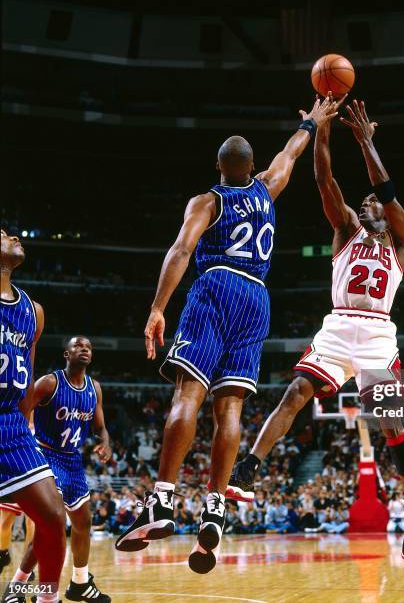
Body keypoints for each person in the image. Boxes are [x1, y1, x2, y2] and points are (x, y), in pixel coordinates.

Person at [115, 96, 340, 575]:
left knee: (188, 393)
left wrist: (158, 308)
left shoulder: (208, 201)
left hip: (217, 285)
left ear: (217, 167)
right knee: (230, 407)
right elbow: (291, 155)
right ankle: (214, 508)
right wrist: (311, 121)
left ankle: (162, 500)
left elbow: (180, 251)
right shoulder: (268, 188)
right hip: (257, 298)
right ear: (252, 167)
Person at [225, 99, 404, 561]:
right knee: (297, 390)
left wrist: (366, 141)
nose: (366, 202)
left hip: (377, 331)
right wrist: (322, 131)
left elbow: (388, 191)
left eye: (371, 201)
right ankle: (250, 466)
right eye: (363, 202)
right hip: (338, 324)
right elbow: (323, 180)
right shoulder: (346, 230)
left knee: (389, 416)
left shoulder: (402, 239)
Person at [18, 336, 112, 602]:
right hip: (45, 455)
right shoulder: (50, 382)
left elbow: (100, 427)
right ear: (66, 354)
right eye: (78, 346)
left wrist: (105, 443)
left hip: (72, 460)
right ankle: (18, 588)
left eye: (89, 347)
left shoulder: (95, 389)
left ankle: (80, 582)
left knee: (84, 522)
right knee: (53, 526)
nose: (84, 349)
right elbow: (23, 409)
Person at [0, 229, 66, 603]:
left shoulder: (32, 311)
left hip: (10, 422)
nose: (12, 237)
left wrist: (26, 421)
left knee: (54, 516)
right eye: (3, 234)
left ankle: (46, 596)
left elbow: (27, 371)